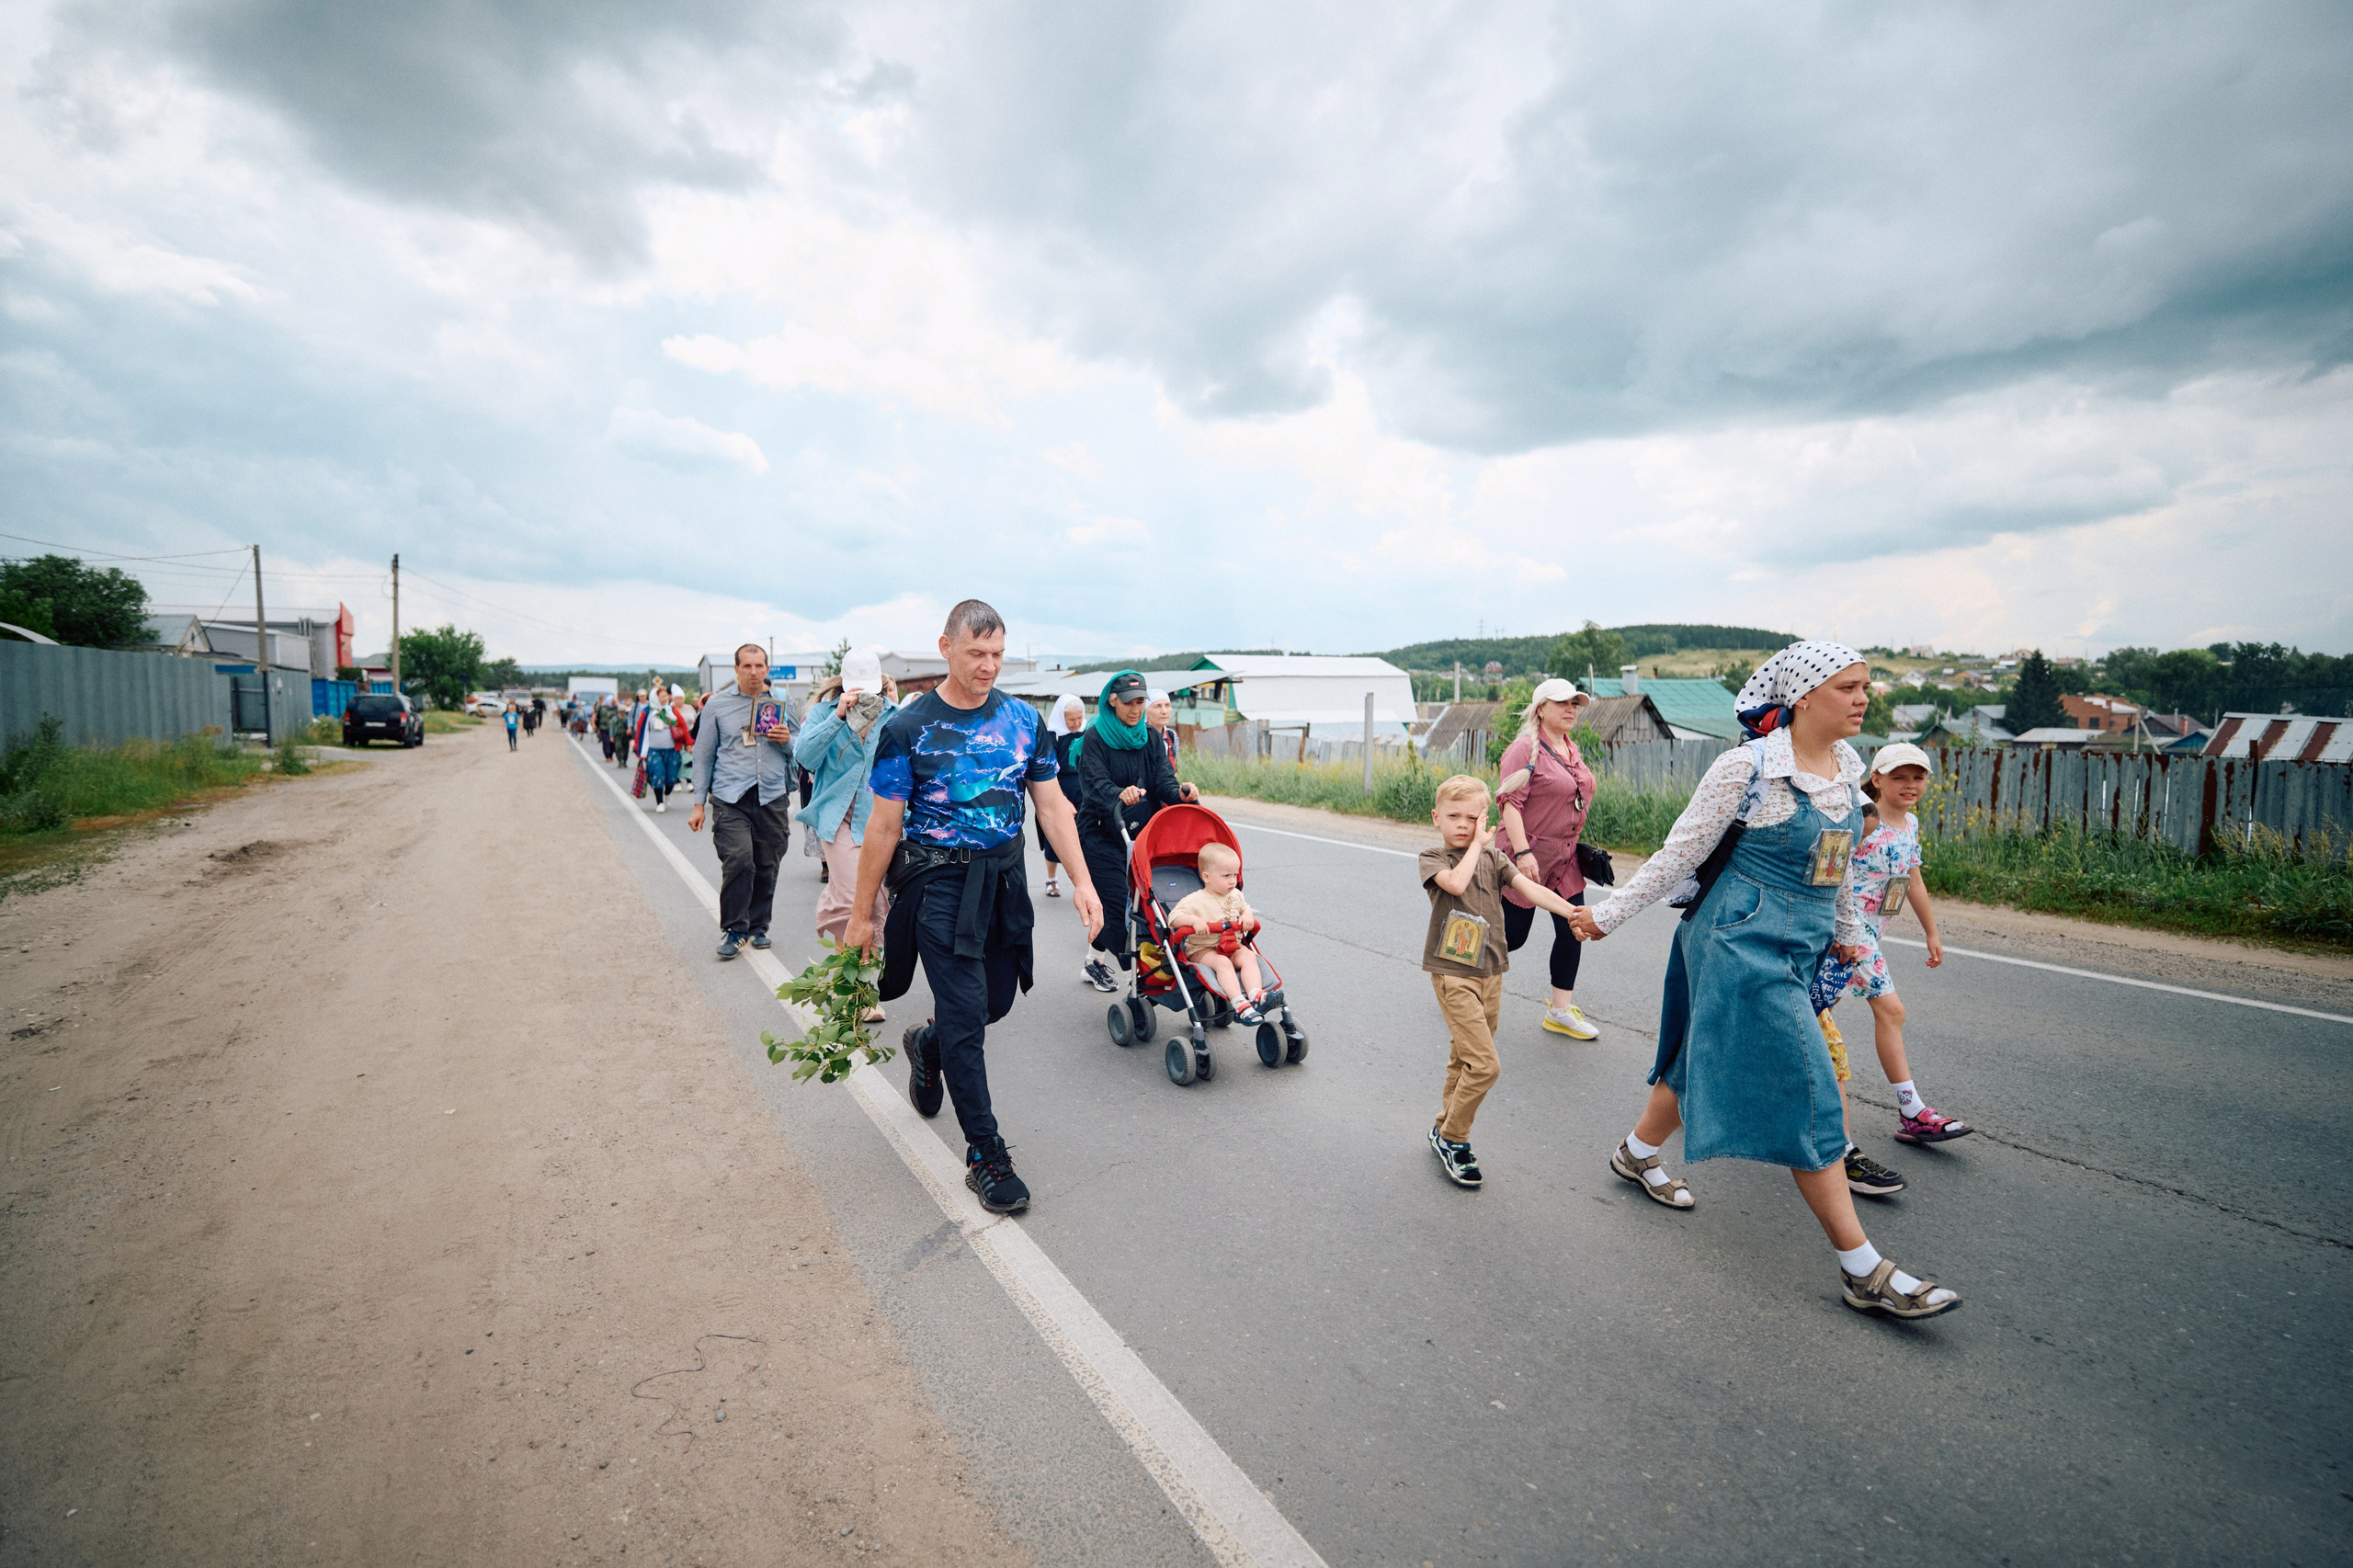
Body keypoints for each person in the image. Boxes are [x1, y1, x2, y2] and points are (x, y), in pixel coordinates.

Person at [1568, 642, 1961, 1320]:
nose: (1864, 698)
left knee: (1700, 1057)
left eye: (1866, 686)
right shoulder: (1746, 767)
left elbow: (1838, 864)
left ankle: (1635, 1154)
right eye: (1849, 687)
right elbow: (1679, 852)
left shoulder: (1846, 767)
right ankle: (1863, 1269)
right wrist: (1609, 916)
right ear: (1805, 695)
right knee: (1808, 1089)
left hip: (1804, 944)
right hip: (1738, 941)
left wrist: (1844, 932)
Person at [844, 600, 1100, 1216]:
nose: (988, 666)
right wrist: (861, 916)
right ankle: (986, 1154)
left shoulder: (1022, 720)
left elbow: (1052, 807)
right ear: (946, 648)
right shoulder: (907, 729)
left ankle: (929, 1045)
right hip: (937, 886)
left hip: (1004, 881)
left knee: (995, 1002)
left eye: (997, 655)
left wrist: (1084, 882)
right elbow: (883, 829)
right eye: (976, 654)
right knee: (965, 1015)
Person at [1421, 774, 1587, 1189]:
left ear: (1484, 819)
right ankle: (1453, 1138)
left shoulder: (1495, 861)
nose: (1462, 824)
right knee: (1486, 1065)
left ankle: (1443, 1126)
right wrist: (1479, 844)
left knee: (1464, 1057)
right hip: (1454, 974)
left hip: (1491, 972)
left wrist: (1573, 914)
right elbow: (1456, 885)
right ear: (1436, 818)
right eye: (1453, 816)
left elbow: (1531, 889)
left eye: (1472, 818)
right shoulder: (1434, 858)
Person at [1817, 743, 1969, 1148]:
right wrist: (1840, 929)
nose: (1910, 785)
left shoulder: (1911, 824)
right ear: (1878, 779)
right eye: (1899, 777)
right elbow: (1828, 872)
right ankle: (1913, 1110)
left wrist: (1931, 933)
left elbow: (1913, 880)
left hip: (1872, 932)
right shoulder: (1859, 819)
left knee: (1812, 1015)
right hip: (1844, 931)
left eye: (1917, 778)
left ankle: (1715, 1084)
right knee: (1892, 1011)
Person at [1074, 670, 1198, 993]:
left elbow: (1163, 781)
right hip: (1102, 833)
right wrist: (1119, 793)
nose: (1136, 709)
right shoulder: (1095, 738)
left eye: (1141, 701)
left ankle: (1136, 971)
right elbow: (1096, 786)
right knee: (1115, 907)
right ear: (1112, 701)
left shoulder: (1151, 737)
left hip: (1142, 833)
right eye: (1129, 702)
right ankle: (1116, 966)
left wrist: (1180, 794)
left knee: (1149, 906)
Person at [1495, 677, 1601, 1040]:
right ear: (1541, 708)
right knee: (1512, 936)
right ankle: (1460, 972)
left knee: (1575, 927)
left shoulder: (1571, 749)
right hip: (1526, 856)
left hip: (1564, 859)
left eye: (1575, 703)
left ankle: (1559, 1011)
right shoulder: (1524, 749)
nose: (1571, 709)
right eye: (1562, 703)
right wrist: (1522, 853)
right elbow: (1510, 804)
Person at [688, 647, 797, 960]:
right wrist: (698, 804)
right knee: (739, 859)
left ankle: (758, 925)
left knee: (767, 862)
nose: (753, 672)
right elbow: (703, 754)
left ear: (767, 668)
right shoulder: (718, 706)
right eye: (747, 666)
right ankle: (735, 929)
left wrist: (786, 739)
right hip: (730, 797)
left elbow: (803, 751)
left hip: (772, 795)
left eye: (759, 665)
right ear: (736, 669)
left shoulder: (783, 704)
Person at [795, 649, 897, 980]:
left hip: (882, 818)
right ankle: (861, 990)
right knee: (859, 898)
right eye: (856, 688)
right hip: (837, 819)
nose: (863, 694)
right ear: (845, 684)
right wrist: (837, 717)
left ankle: (850, 982)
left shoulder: (894, 716)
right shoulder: (824, 713)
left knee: (873, 899)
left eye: (870, 687)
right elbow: (806, 757)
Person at [1165, 841, 1267, 1021]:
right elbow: (1172, 918)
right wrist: (1194, 920)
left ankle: (1255, 994)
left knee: (1249, 956)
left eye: (1235, 874)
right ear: (1207, 877)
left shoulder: (1236, 895)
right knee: (1223, 963)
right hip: (1203, 950)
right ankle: (1239, 1003)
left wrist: (1248, 916)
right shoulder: (1195, 900)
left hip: (1231, 945)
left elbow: (1245, 908)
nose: (1232, 880)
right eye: (1226, 875)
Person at [1041, 693, 1086, 897]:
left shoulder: (1087, 734)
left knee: (1085, 838)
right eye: (1071, 720)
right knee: (1056, 837)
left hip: (1085, 792)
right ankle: (1051, 880)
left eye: (1079, 718)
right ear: (1062, 717)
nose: (1076, 723)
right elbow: (1049, 770)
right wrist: (1060, 799)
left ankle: (1084, 883)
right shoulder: (1053, 736)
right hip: (1059, 791)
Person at [637, 684, 688, 813]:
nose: (666, 698)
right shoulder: (648, 712)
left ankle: (667, 794)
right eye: (662, 696)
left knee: (671, 777)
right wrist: (640, 750)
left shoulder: (672, 711)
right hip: (654, 751)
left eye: (666, 696)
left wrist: (688, 743)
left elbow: (682, 727)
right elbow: (641, 731)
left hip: (672, 751)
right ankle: (659, 802)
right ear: (655, 698)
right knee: (658, 775)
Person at [1146, 690, 1178, 772]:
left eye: (1167, 705)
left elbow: (1174, 766)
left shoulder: (1172, 735)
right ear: (1146, 711)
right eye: (1158, 706)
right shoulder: (1140, 736)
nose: (1164, 711)